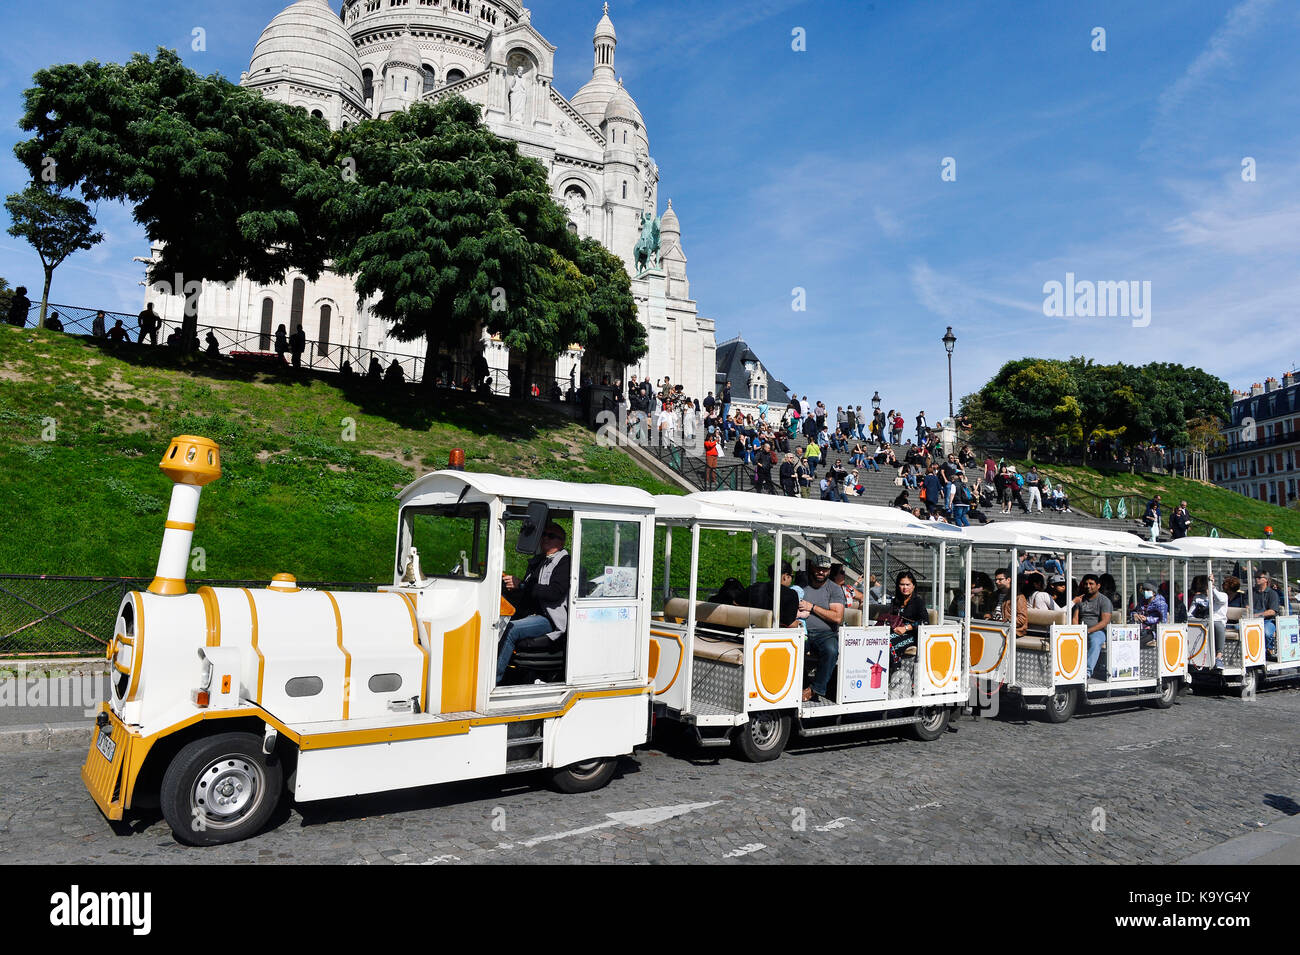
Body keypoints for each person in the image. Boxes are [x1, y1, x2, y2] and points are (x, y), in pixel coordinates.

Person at [496, 524, 571, 683]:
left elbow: (554, 592)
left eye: (551, 536)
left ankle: (493, 680)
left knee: (511, 629)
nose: (545, 538)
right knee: (495, 623)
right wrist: (512, 586)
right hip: (532, 614)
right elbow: (528, 592)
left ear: (561, 542)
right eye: (543, 534)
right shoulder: (539, 562)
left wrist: (522, 585)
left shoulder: (565, 562)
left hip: (550, 620)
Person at [800, 555, 844, 703]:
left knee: (831, 650)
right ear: (812, 568)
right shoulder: (802, 587)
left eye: (824, 569)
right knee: (790, 648)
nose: (821, 572)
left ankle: (815, 689)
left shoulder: (834, 589)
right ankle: (802, 683)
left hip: (825, 634)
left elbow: (837, 617)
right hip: (802, 632)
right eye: (818, 568)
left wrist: (811, 607)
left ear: (829, 570)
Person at [1073, 574, 1113, 679]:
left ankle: (1087, 671)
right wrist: (1076, 630)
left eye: (1091, 584)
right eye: (1086, 584)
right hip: (1081, 630)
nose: (1088, 586)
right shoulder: (1080, 599)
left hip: (1098, 631)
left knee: (1095, 641)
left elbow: (1105, 621)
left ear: (1098, 586)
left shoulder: (1104, 601)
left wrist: (1088, 631)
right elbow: (1075, 618)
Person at [883, 570, 928, 661]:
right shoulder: (896, 601)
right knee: (880, 642)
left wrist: (906, 628)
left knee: (889, 645)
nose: (905, 587)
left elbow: (925, 621)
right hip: (895, 632)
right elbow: (891, 617)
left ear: (913, 586)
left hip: (912, 635)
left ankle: (894, 669)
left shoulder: (918, 602)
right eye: (902, 584)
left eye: (908, 584)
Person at [745, 561, 800, 628]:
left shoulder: (755, 587)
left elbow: (736, 603)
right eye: (792, 576)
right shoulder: (791, 594)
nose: (791, 580)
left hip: (752, 631)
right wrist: (799, 623)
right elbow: (790, 623)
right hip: (775, 635)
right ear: (785, 576)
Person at [1189, 573, 1227, 668]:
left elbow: (1220, 600)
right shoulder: (1198, 598)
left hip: (1217, 621)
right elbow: (1190, 613)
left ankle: (1219, 657)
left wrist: (1212, 586)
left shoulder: (1222, 596)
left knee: (1217, 625)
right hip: (1203, 621)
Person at [1250, 570, 1281, 659]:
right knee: (1238, 628)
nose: (1257, 579)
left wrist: (1258, 615)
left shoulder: (1272, 594)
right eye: (1255, 577)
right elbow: (1246, 606)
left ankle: (1269, 650)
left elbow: (1272, 611)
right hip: (1251, 620)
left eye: (1259, 578)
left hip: (1268, 620)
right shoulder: (1251, 592)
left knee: (1267, 632)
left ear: (1266, 580)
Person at [1133, 580, 1168, 646]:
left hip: (1153, 633)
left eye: (1148, 590)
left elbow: (1162, 621)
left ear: (1154, 592)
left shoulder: (1161, 604)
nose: (1145, 592)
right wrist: (1134, 614)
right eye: (1144, 589)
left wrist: (1147, 619)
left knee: (1137, 644)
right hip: (1140, 630)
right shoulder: (1142, 601)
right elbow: (1135, 610)